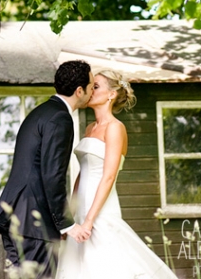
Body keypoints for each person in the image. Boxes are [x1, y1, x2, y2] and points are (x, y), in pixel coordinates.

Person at [55, 70, 177, 278]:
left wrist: (90, 220)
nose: (90, 90)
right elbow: (81, 175)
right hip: (82, 210)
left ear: (111, 94)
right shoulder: (90, 128)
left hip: (100, 211)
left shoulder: (115, 128)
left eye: (96, 86)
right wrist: (71, 218)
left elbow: (109, 176)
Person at [0, 60, 94, 279]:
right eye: (92, 86)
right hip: (35, 224)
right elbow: (52, 175)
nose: (93, 91)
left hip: (17, 216)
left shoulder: (40, 112)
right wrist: (66, 224)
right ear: (79, 91)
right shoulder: (60, 118)